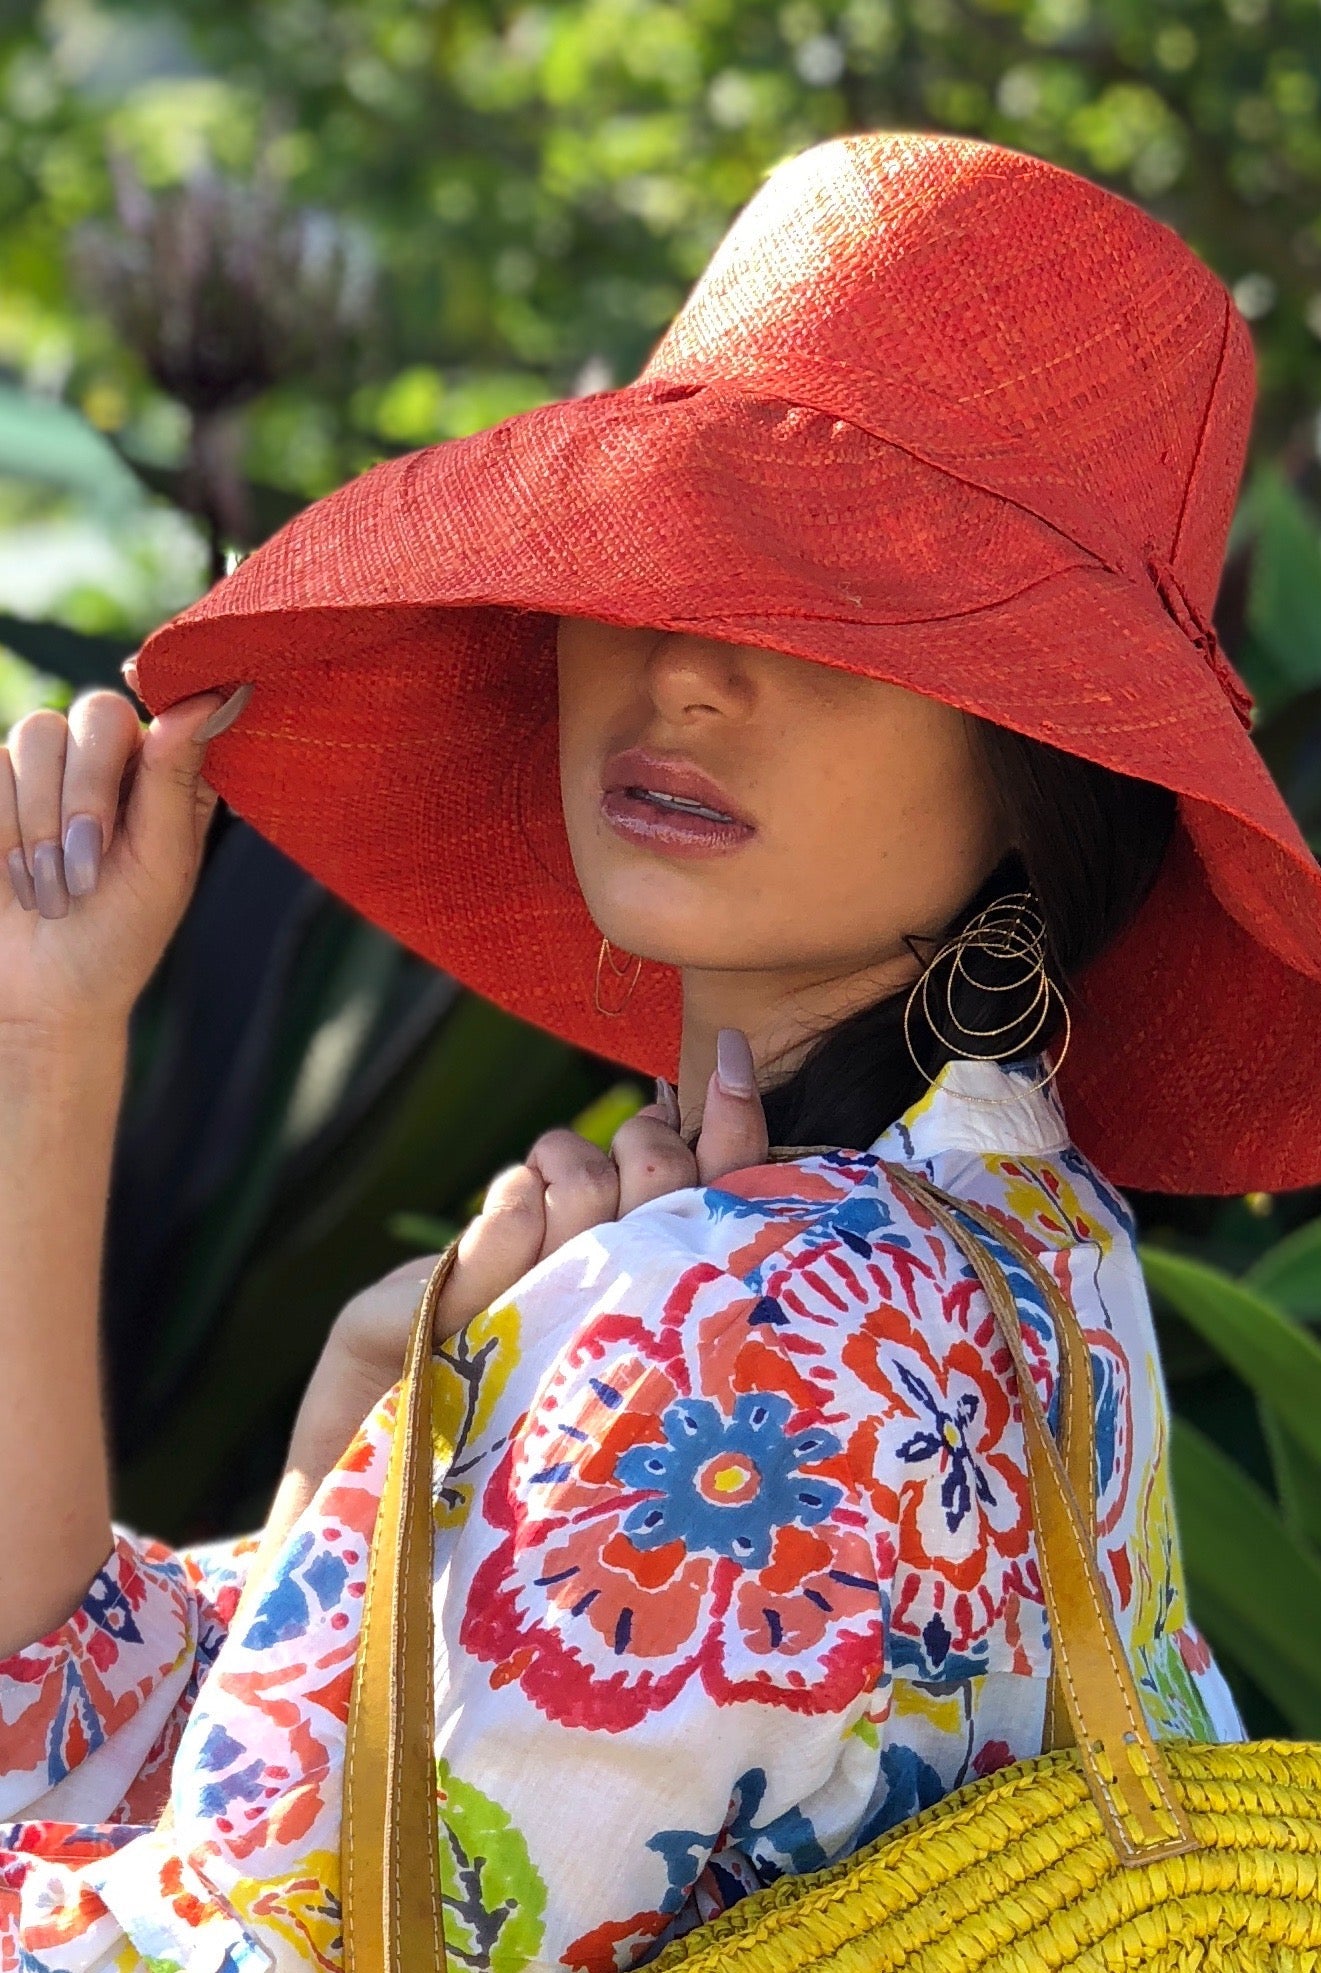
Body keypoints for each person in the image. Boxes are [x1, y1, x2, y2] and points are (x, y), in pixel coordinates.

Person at [2, 129, 1320, 1973]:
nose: (686, 672)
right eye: (657, 563)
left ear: (1046, 764)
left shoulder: (738, 1325)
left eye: (837, 611)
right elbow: (151, 1743)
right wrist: (333, 1453)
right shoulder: (1025, 1257)